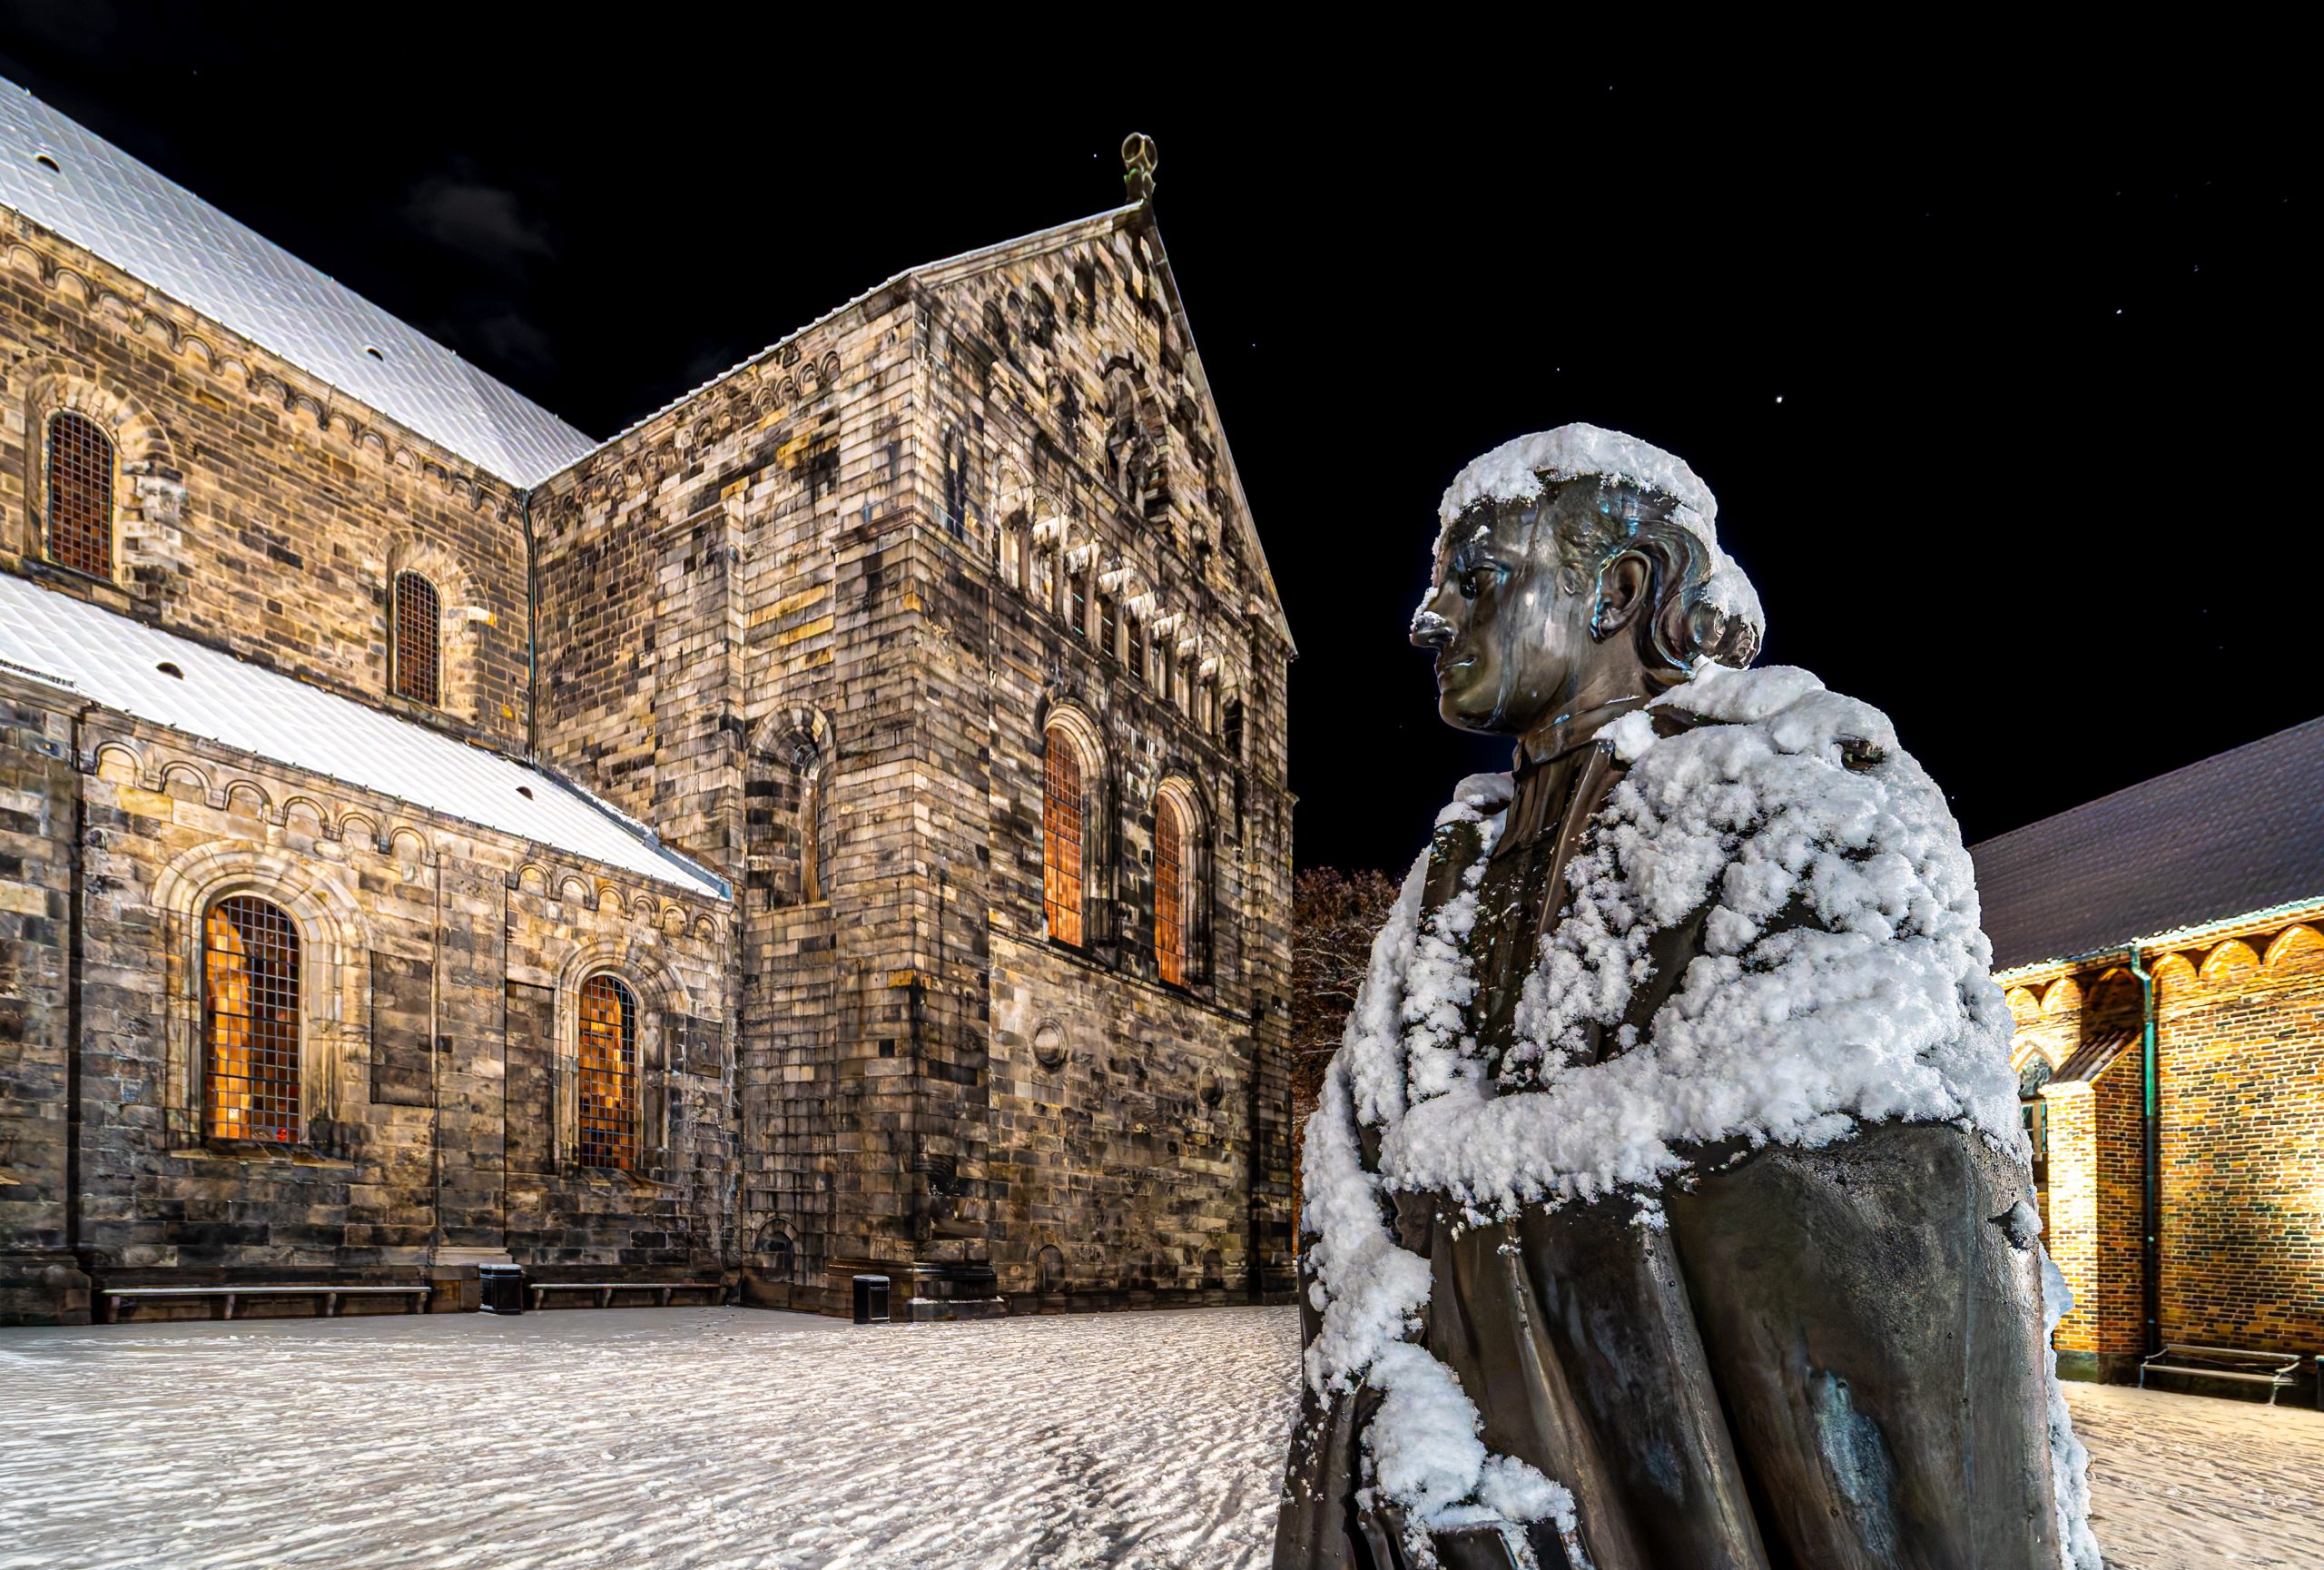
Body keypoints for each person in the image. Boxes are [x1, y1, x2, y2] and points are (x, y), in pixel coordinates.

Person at [1275, 426, 2096, 1570]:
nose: (1429, 618)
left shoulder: (1800, 798)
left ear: (1617, 588)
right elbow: (1349, 1175)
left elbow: (1875, 1190)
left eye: (1477, 576)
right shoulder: (1442, 879)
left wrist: (1462, 1183)